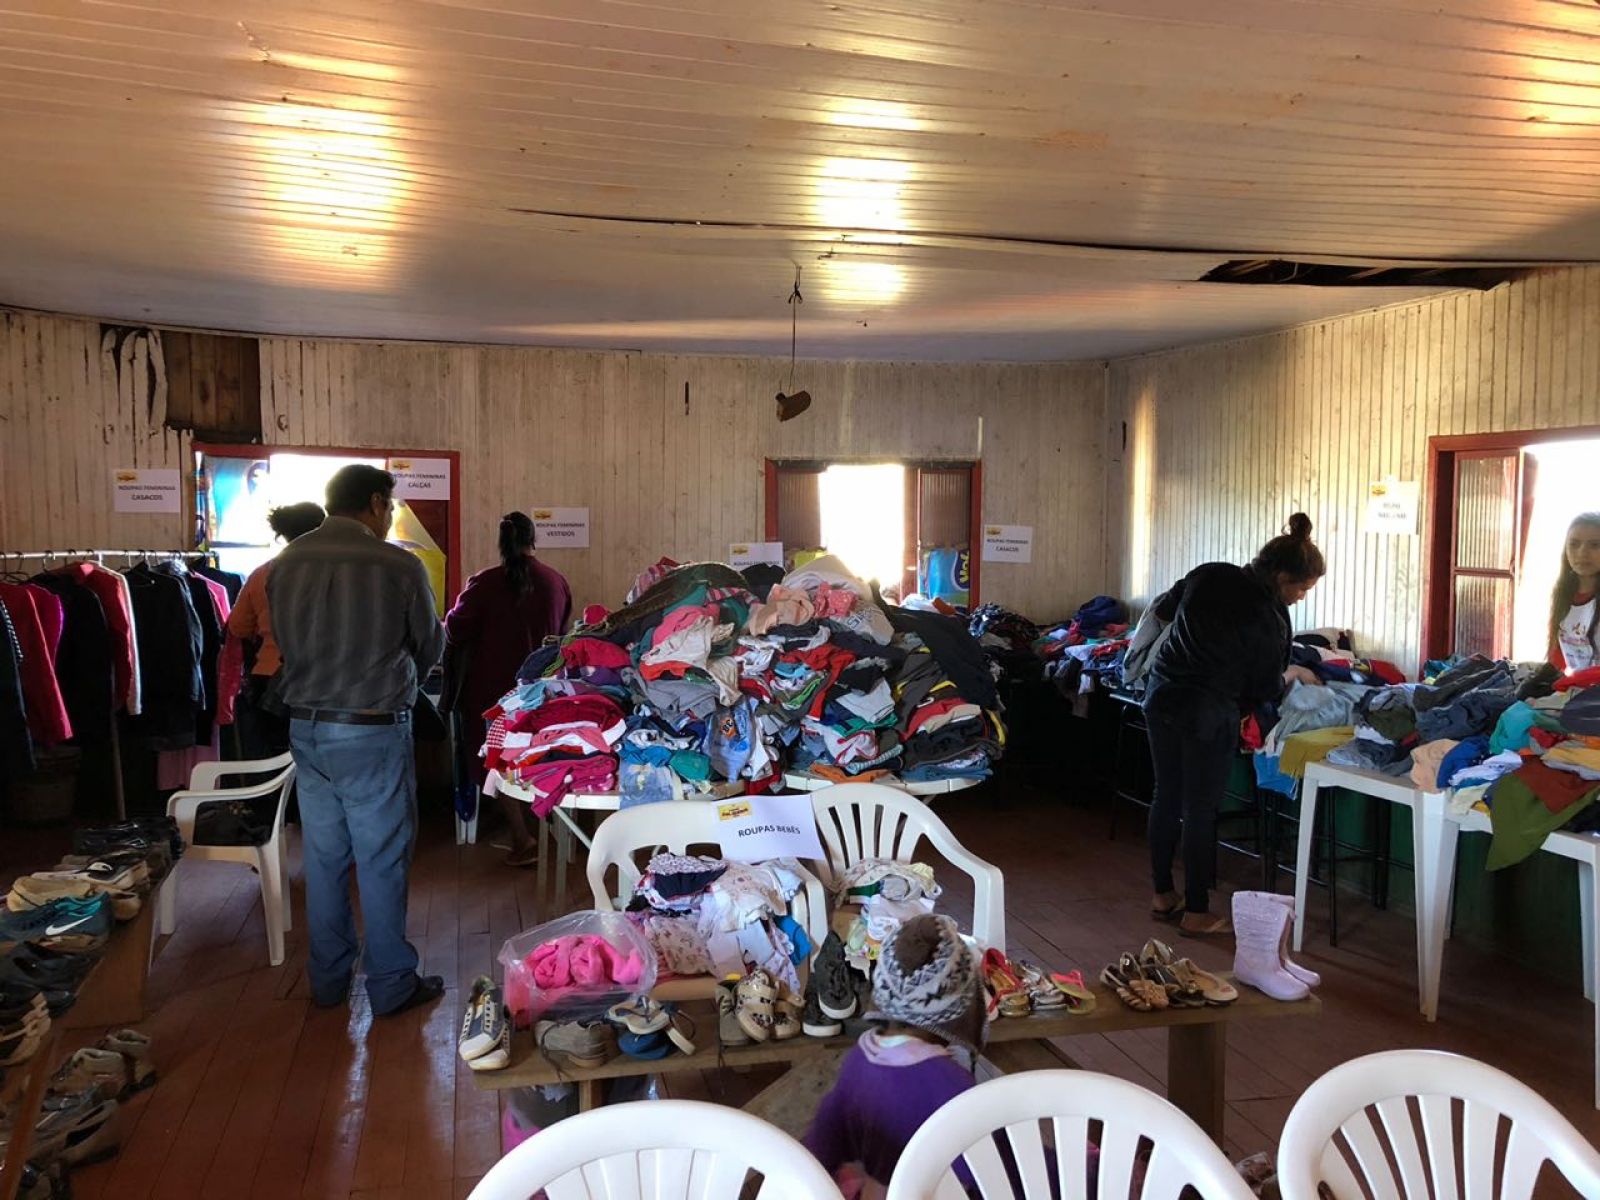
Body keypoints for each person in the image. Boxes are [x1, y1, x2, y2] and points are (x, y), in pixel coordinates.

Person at [270, 464, 445, 1016]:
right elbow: (429, 646)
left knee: (323, 858)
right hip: (371, 729)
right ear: (374, 503)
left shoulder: (286, 562)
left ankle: (328, 981)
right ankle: (391, 983)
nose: (390, 516)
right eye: (389, 506)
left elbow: (282, 642)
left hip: (306, 728)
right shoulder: (398, 564)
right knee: (381, 857)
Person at [1143, 513, 1326, 935]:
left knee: (1166, 796)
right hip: (1208, 712)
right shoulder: (1269, 617)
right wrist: (1293, 674)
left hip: (1162, 695)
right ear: (1282, 577)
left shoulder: (1209, 573)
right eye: (1301, 588)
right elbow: (1263, 687)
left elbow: (1164, 612)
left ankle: (1163, 894)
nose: (1300, 597)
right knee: (1200, 808)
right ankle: (1196, 912)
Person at [803, 914, 987, 1198]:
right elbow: (992, 1166)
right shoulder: (950, 1083)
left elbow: (824, 1144)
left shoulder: (859, 1059)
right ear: (962, 1008)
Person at [442, 512, 572, 866]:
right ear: (534, 540)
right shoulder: (556, 582)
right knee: (540, 755)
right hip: (542, 693)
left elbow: (454, 630)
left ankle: (521, 838)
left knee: (495, 759)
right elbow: (562, 634)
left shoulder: (484, 583)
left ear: (501, 543)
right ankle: (546, 832)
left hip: (491, 692)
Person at [227, 501, 325, 758]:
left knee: (275, 757)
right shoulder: (335, 572)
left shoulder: (263, 572)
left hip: (270, 677)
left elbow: (238, 626)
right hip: (323, 679)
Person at [1550, 512, 1600, 675]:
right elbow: (1556, 657)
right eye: (1574, 544)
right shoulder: (1562, 593)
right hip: (1575, 686)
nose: (1582, 553)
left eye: (1595, 545)